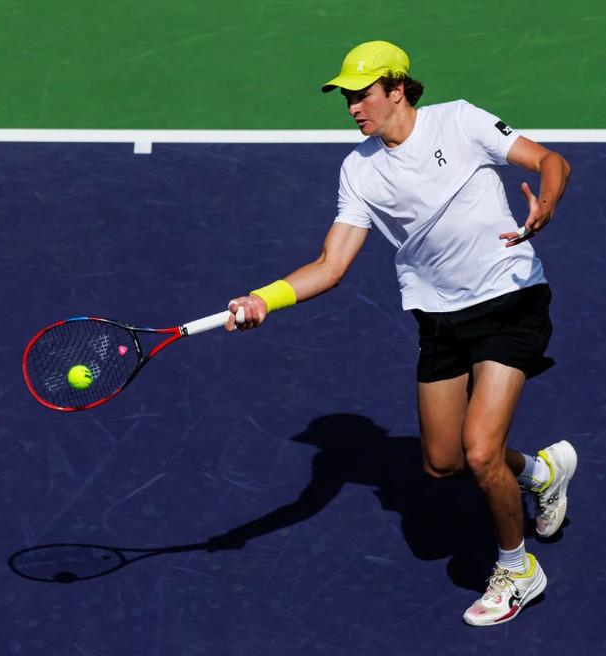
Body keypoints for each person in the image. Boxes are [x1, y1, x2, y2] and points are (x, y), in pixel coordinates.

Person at [224, 40, 578, 627]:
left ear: (395, 87)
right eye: (346, 99)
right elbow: (331, 265)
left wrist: (546, 202)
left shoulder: (460, 120)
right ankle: (540, 473)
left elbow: (551, 161)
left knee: (480, 449)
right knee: (443, 463)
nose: (353, 108)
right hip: (439, 318)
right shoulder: (359, 170)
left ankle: (518, 569)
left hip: (509, 297)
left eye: (361, 95)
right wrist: (265, 299)